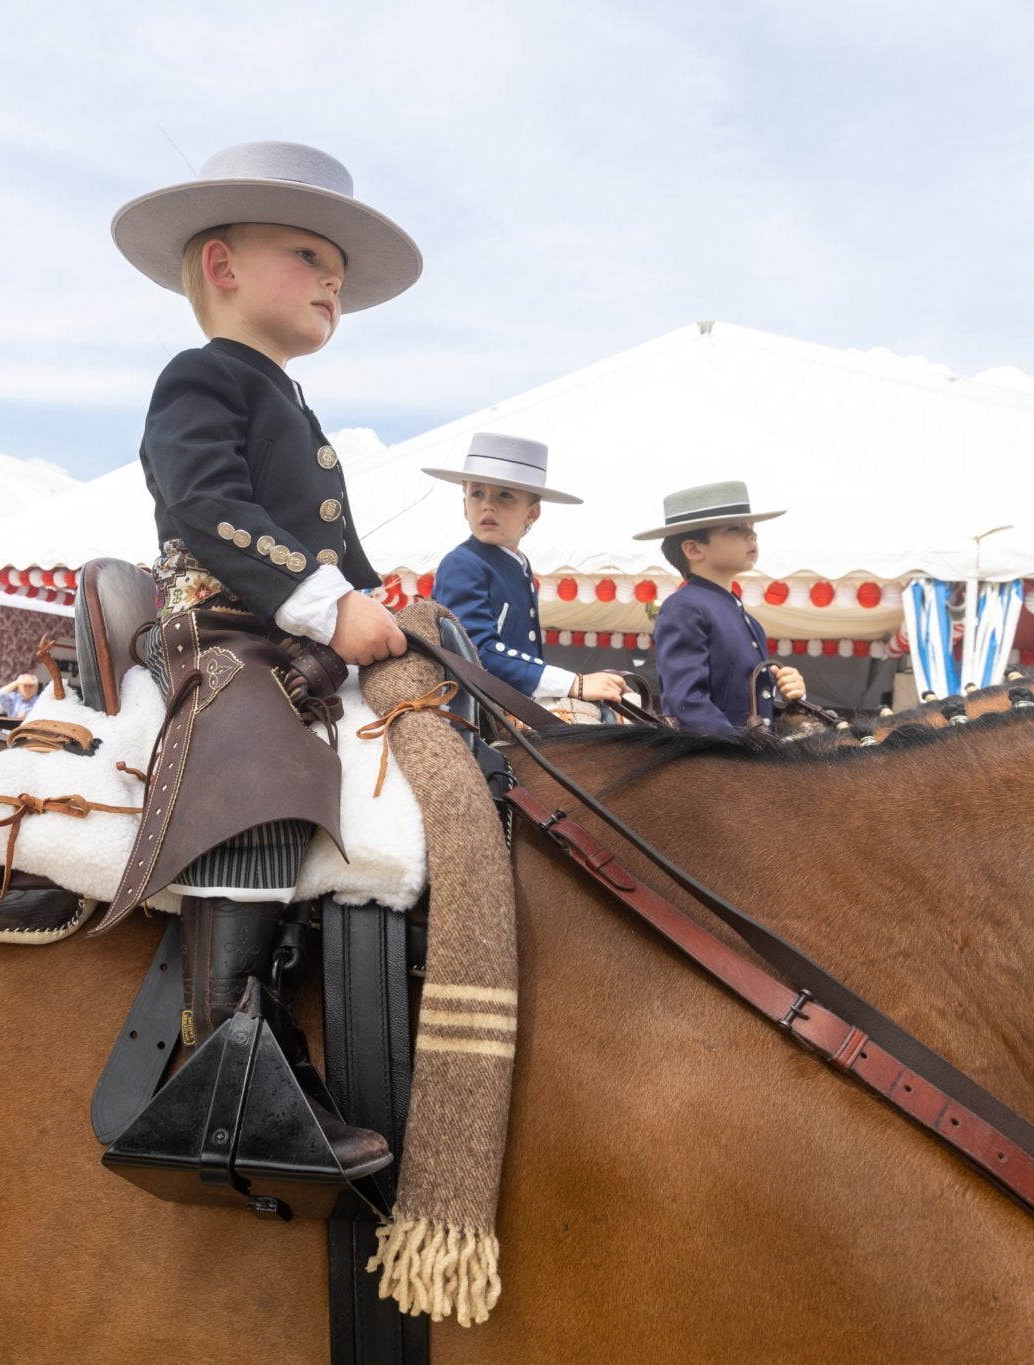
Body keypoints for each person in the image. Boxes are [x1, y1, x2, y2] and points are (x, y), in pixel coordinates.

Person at [94, 140, 424, 1176]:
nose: (332, 279)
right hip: (225, 630)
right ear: (221, 267)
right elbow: (206, 505)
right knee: (259, 747)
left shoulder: (292, 403)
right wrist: (327, 605)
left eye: (334, 266)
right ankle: (224, 1061)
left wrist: (380, 604)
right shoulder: (201, 377)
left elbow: (337, 546)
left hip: (291, 624)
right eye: (306, 254)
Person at [425, 432, 627, 710]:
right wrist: (572, 683)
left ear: (532, 513)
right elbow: (475, 650)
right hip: (471, 710)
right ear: (464, 506)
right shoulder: (462, 563)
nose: (487, 504)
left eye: (505, 495)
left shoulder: (517, 564)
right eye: (476, 493)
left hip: (509, 704)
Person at [633, 481, 807, 734]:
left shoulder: (744, 617)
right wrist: (742, 754)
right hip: (715, 765)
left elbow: (748, 708)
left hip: (746, 761)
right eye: (735, 528)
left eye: (752, 528)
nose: (752, 535)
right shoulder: (684, 607)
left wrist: (790, 694)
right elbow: (688, 703)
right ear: (693, 549)